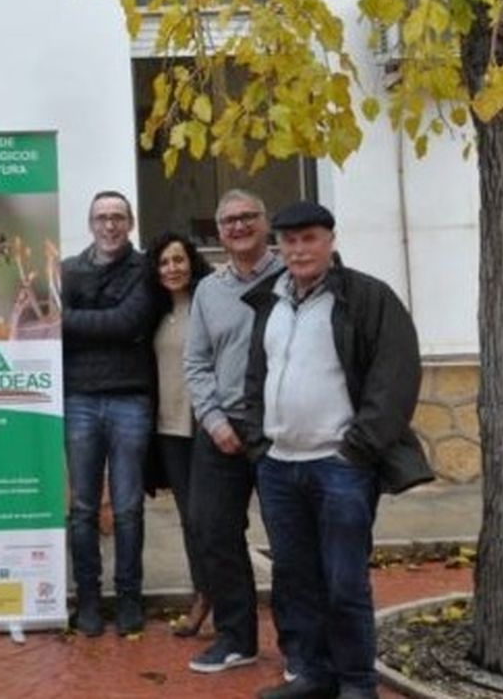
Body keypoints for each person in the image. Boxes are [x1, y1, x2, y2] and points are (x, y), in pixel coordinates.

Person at [243, 201, 432, 699]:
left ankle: (356, 681)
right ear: (278, 246)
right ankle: (313, 673)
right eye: (289, 240)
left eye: (309, 239)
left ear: (330, 241)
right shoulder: (271, 301)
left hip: (340, 467)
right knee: (295, 581)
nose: (299, 249)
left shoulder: (367, 298)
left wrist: (359, 447)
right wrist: (258, 443)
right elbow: (255, 376)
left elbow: (396, 378)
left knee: (345, 583)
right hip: (280, 467)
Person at [182, 189, 289, 676]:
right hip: (222, 429)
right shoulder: (209, 290)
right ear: (219, 232)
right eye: (229, 221)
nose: (239, 226)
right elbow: (197, 363)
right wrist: (214, 420)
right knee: (213, 531)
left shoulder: (294, 276)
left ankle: (300, 644)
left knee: (290, 537)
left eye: (248, 217)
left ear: (265, 222)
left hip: (285, 429)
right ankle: (235, 637)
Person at [61, 190, 158, 637]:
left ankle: (130, 597)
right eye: (102, 217)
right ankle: (89, 600)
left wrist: (73, 319)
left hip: (129, 399)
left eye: (118, 217)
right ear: (90, 223)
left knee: (127, 507)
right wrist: (102, 323)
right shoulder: (67, 271)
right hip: (78, 397)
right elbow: (54, 324)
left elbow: (129, 323)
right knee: (82, 507)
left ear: (131, 222)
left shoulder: (146, 270)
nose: (110, 225)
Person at [145, 231, 215, 641]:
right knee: (191, 519)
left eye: (179, 260)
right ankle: (202, 596)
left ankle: (225, 600)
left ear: (192, 262)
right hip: (169, 429)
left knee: (215, 520)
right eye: (164, 263)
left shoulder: (207, 305)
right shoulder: (156, 313)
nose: (172, 269)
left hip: (206, 425)